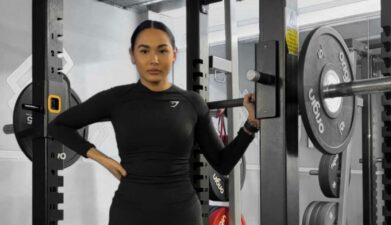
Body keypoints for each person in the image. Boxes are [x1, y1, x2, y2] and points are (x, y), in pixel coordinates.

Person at [48, 20, 260, 225]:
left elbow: (223, 163)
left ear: (174, 53)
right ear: (132, 55)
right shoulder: (117, 98)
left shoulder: (192, 103)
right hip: (130, 212)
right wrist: (103, 159)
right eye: (144, 50)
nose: (154, 59)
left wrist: (250, 125)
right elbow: (59, 126)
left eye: (162, 50)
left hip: (182, 213)